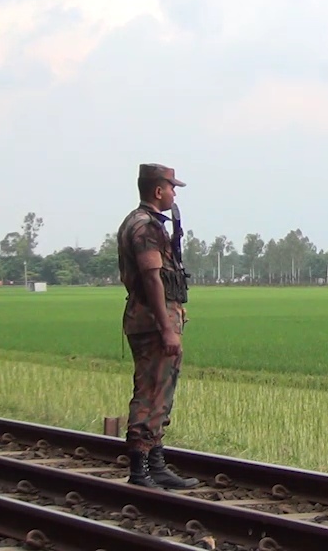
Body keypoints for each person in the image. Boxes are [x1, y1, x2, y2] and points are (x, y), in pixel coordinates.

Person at [116, 163, 199, 490]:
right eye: (172, 187)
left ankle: (156, 464)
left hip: (152, 319)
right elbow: (152, 278)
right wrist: (166, 328)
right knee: (150, 392)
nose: (175, 193)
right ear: (158, 190)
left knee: (160, 391)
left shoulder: (141, 222)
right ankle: (140, 469)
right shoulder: (146, 227)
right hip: (153, 322)